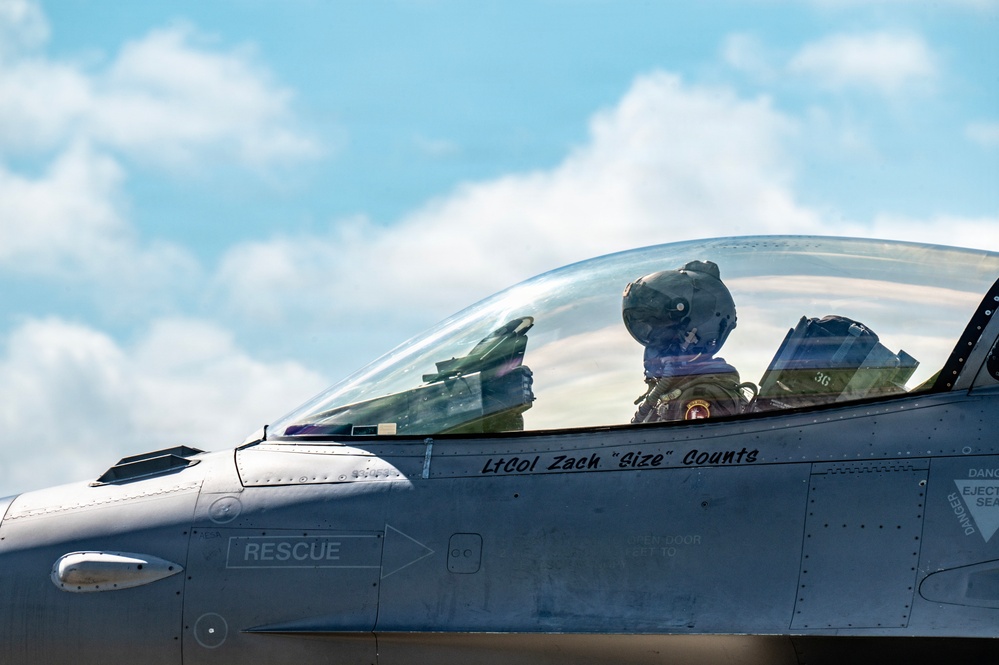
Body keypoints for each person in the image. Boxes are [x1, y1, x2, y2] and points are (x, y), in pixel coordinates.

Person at [622, 260, 749, 423]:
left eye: (663, 331)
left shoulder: (700, 396)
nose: (655, 342)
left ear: (696, 333)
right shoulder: (678, 391)